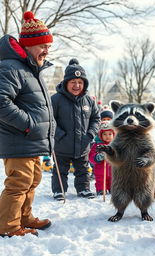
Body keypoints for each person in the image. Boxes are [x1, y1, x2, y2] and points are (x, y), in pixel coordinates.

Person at [0, 11, 54, 237]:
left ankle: (24, 217)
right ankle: (8, 227)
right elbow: (1, 101)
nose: (46, 51)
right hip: (19, 138)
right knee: (18, 183)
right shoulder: (11, 67)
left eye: (48, 46)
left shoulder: (32, 69)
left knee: (32, 180)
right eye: (42, 45)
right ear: (29, 46)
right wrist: (28, 124)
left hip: (31, 140)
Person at [51, 58, 100, 201]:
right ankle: (59, 190)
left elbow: (96, 119)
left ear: (84, 84)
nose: (77, 85)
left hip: (83, 144)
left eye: (80, 82)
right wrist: (59, 135)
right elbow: (50, 120)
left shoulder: (89, 101)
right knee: (60, 170)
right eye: (73, 82)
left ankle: (84, 188)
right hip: (62, 145)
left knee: (83, 169)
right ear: (66, 83)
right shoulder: (56, 99)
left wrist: (90, 134)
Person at [89, 121, 115, 195]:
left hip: (113, 170)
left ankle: (112, 188)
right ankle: (101, 190)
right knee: (100, 180)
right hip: (101, 170)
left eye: (110, 134)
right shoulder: (97, 145)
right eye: (105, 134)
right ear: (100, 135)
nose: (107, 136)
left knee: (113, 179)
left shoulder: (115, 145)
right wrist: (97, 157)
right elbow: (91, 156)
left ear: (113, 134)